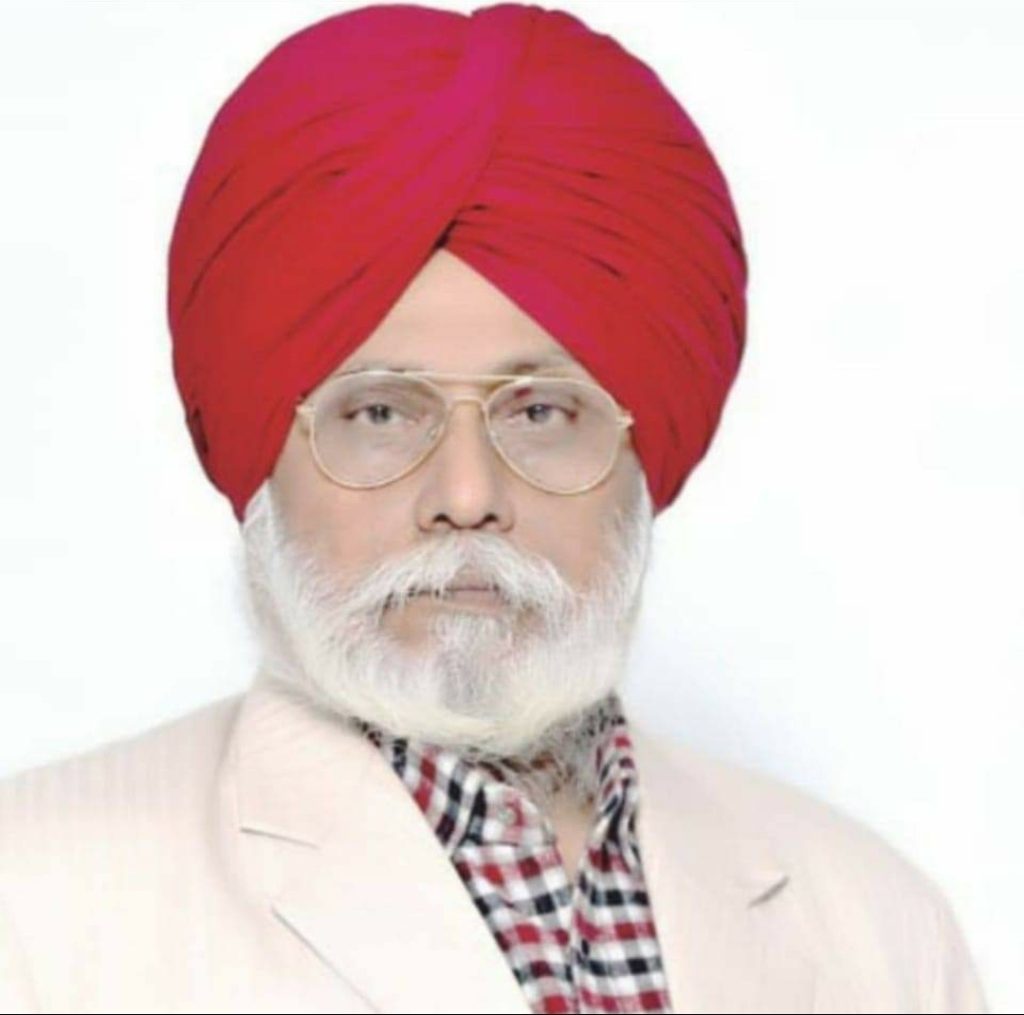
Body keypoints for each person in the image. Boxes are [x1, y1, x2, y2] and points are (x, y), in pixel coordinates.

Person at [0, 4, 988, 1013]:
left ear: (641, 457)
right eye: (379, 411)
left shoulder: (877, 926)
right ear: (261, 456)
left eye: (543, 411)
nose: (467, 496)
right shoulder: (33, 905)